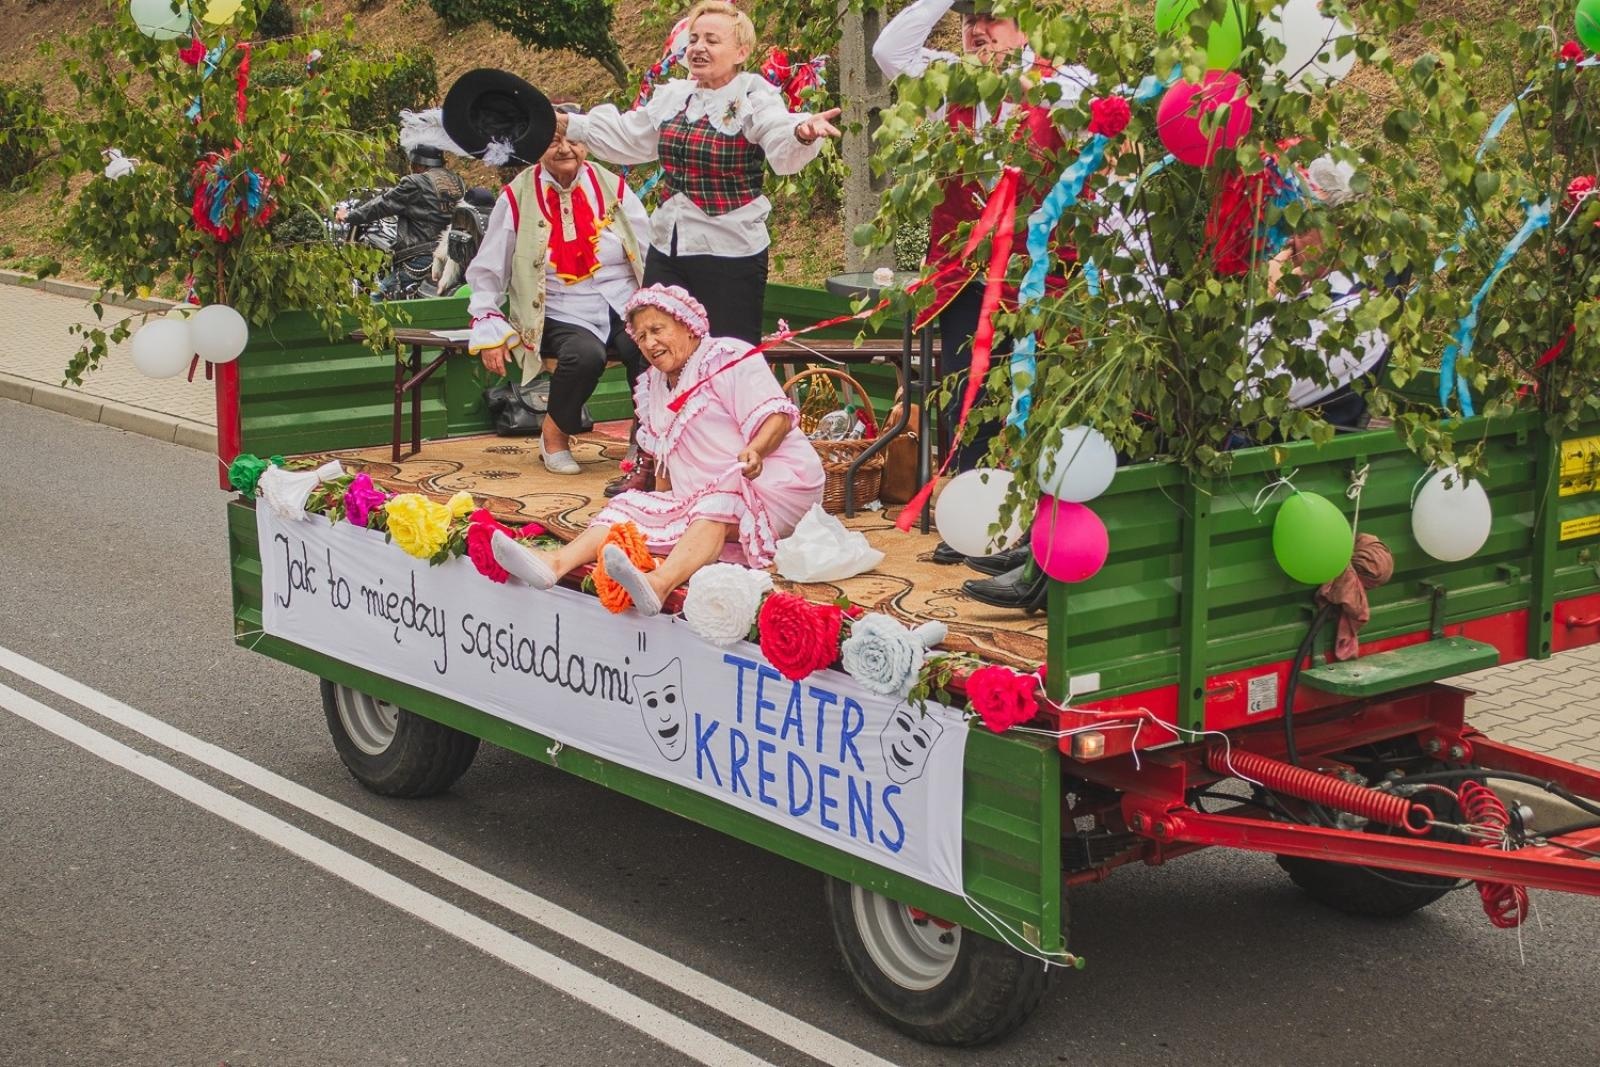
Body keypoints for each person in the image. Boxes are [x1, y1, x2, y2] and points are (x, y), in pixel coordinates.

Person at [874, 0, 1095, 564]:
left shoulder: (1065, 84)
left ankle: (1025, 530)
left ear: (1028, 26)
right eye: (968, 19)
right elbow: (888, 51)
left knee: (1031, 394)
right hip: (964, 272)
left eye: (992, 18)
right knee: (964, 399)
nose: (976, 30)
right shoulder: (953, 78)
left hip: (1039, 274)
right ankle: (975, 520)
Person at [492, 284, 825, 616]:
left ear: (687, 325)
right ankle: (555, 563)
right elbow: (665, 455)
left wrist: (755, 450)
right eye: (641, 337)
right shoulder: (653, 384)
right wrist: (659, 505)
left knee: (720, 500)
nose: (650, 343)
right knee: (629, 506)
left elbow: (778, 416)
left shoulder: (727, 355)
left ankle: (660, 583)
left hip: (776, 483)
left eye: (657, 330)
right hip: (706, 492)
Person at [555, 0, 842, 344]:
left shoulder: (753, 97)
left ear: (740, 52)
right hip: (668, 248)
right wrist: (568, 124)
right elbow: (630, 136)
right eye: (693, 39)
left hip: (729, 253)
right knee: (657, 346)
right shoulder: (676, 97)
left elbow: (776, 133)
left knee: (725, 356)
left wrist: (801, 133)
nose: (699, 48)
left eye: (711, 40)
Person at [465, 105, 651, 478]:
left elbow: (648, 246)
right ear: (536, 147)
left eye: (573, 140)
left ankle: (646, 436)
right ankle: (554, 434)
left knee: (648, 347)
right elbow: (489, 267)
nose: (565, 149)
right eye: (553, 142)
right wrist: (487, 322)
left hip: (620, 302)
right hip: (555, 309)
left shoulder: (612, 186)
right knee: (585, 355)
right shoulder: (516, 197)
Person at [338, 111, 467, 296]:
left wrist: (349, 216)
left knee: (376, 300)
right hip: (451, 257)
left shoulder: (414, 182)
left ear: (418, 164)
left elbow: (382, 205)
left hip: (420, 259)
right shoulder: (456, 181)